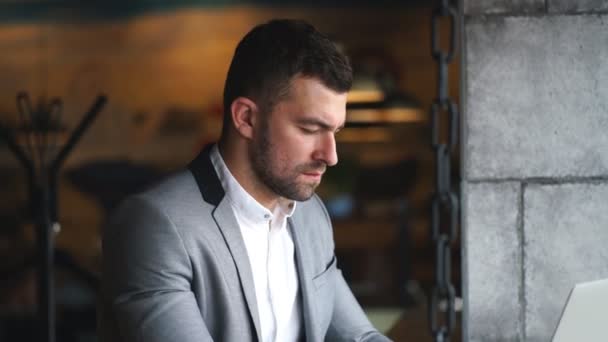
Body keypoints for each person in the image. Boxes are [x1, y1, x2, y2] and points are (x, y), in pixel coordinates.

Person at [100, 19, 392, 342]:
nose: (331, 155)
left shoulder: (312, 217)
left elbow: (361, 337)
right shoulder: (155, 225)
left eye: (335, 132)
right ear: (246, 118)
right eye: (311, 129)